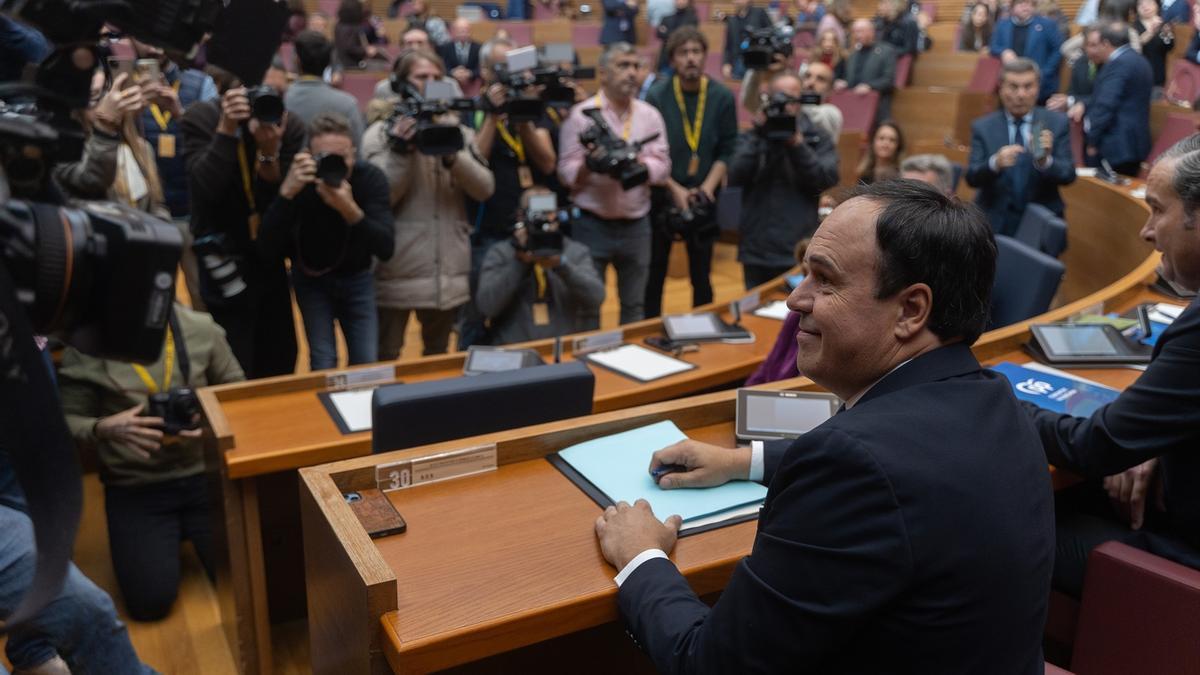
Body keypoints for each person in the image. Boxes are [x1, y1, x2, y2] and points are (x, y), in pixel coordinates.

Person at [593, 180, 1055, 674]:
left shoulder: (852, 463)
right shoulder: (997, 399)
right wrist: (741, 461)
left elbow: (709, 664)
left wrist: (641, 556)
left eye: (824, 280)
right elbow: (903, 474)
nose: (795, 300)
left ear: (910, 310)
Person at [1020, 133, 1200, 595]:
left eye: (1158, 210)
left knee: (1003, 519)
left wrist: (997, 400)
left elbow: (1094, 446)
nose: (1146, 231)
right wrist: (1159, 441)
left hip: (1187, 563)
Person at [57, 303, 244, 620]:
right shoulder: (85, 346)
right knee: (150, 604)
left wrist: (212, 420)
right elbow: (66, 420)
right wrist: (101, 428)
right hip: (137, 485)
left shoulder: (200, 328)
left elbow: (238, 390)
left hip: (204, 477)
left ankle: (182, 532)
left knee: (241, 584)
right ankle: (169, 536)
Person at [362, 49, 495, 358]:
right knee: (387, 355)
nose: (430, 83)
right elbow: (381, 196)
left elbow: (485, 188)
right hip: (398, 269)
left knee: (438, 356)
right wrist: (402, 151)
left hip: (447, 272)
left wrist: (452, 156)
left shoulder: (459, 132)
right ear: (401, 84)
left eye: (437, 77)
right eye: (421, 77)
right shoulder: (380, 134)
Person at [181, 70, 303, 379]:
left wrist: (269, 154)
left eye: (275, 91)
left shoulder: (288, 124)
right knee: (234, 356)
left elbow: (283, 202)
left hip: (269, 254)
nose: (264, 99)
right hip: (223, 252)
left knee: (280, 355)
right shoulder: (203, 118)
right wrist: (226, 129)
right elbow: (205, 190)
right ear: (228, 93)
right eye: (255, 91)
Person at [259, 114, 394, 370]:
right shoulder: (299, 180)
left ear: (354, 154)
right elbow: (267, 246)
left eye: (341, 157)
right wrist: (287, 193)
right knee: (323, 360)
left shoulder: (370, 179)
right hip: (311, 282)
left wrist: (350, 210)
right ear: (309, 155)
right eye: (325, 157)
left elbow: (386, 248)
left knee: (366, 362)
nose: (334, 164)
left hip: (358, 278)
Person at [557, 42, 671, 327]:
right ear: (603, 73)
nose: (631, 73)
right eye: (623, 66)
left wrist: (637, 165)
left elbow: (663, 165)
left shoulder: (649, 115)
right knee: (587, 306)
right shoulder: (580, 116)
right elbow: (566, 172)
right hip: (591, 223)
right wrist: (590, 165)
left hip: (637, 224)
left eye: (635, 66)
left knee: (634, 307)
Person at [462, 37, 559, 347]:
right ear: (486, 72)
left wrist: (522, 118)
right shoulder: (476, 109)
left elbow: (546, 162)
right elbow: (474, 162)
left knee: (525, 303)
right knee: (479, 311)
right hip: (488, 227)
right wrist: (492, 114)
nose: (510, 75)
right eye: (501, 68)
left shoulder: (535, 110)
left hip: (533, 222)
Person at [644, 27, 739, 317]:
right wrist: (675, 188)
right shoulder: (658, 95)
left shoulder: (721, 95)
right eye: (683, 53)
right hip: (664, 194)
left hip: (703, 196)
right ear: (672, 59)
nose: (691, 59)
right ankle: (649, 331)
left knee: (702, 275)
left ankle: (704, 330)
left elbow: (728, 148)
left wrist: (707, 187)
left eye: (696, 52)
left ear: (704, 56)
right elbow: (648, 151)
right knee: (655, 272)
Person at [130, 38, 218, 310]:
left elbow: (214, 143)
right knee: (152, 305)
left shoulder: (199, 83)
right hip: (146, 216)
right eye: (144, 38)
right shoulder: (122, 84)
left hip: (192, 213)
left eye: (159, 39)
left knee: (202, 300)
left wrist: (180, 113)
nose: (154, 47)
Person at [730, 71, 838, 289]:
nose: (786, 106)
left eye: (791, 99)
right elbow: (735, 175)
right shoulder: (755, 135)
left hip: (796, 249)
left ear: (800, 101)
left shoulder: (816, 137)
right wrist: (760, 132)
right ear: (767, 99)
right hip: (756, 247)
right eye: (779, 98)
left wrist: (797, 144)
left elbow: (825, 179)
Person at [476, 187, 607, 344]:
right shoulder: (502, 253)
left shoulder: (575, 251)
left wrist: (562, 265)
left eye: (548, 212)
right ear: (521, 215)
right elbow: (487, 307)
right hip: (514, 349)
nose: (543, 220)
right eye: (536, 213)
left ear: (557, 215)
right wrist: (519, 263)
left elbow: (596, 298)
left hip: (562, 349)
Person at [967, 58, 1075, 235]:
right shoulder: (983, 126)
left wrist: (1045, 161)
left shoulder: (1056, 123)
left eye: (1028, 86)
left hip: (1041, 222)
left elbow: (1068, 175)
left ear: (1038, 88)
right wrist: (995, 163)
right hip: (993, 222)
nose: (1021, 94)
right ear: (1001, 88)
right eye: (1014, 87)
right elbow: (972, 177)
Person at [1081, 21, 1153, 176]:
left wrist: (1092, 140)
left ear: (1106, 43)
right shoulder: (1139, 59)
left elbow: (1105, 104)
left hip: (1117, 145)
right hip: (1134, 143)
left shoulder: (1118, 64)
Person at [285, 31, 366, 149]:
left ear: (297, 60)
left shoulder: (280, 99)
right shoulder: (348, 104)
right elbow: (358, 153)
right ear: (329, 62)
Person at [741, 59, 844, 140]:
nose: (811, 82)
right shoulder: (787, 105)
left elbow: (810, 115)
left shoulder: (831, 113)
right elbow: (749, 102)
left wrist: (786, 75)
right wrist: (757, 70)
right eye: (807, 76)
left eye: (820, 79)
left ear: (830, 89)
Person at [990, 0, 1064, 102]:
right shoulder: (1002, 24)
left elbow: (1057, 50)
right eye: (1021, 3)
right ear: (1012, 7)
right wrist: (1003, 52)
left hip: (1040, 84)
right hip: (1010, 82)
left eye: (1029, 3)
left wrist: (1044, 72)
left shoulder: (1047, 24)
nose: (1025, 6)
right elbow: (993, 47)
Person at [833, 19, 898, 121]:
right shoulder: (852, 54)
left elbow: (888, 80)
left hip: (877, 103)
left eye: (860, 31)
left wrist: (870, 86)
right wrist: (844, 83)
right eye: (854, 32)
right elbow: (849, 79)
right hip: (853, 103)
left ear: (871, 31)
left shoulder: (886, 51)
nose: (857, 35)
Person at [722, 0, 772, 80]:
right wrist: (726, 63)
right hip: (738, 62)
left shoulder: (759, 13)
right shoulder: (732, 20)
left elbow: (770, 32)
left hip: (757, 61)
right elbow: (728, 45)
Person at [1134, 0, 1176, 95]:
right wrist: (1150, 32)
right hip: (1138, 75)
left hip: (1157, 76)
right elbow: (1135, 46)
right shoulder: (1134, 26)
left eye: (1148, 2)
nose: (1145, 6)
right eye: (1140, 4)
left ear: (1157, 5)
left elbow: (1170, 47)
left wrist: (1167, 35)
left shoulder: (1163, 24)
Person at [334, 0, 385, 68]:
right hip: (350, 63)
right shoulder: (348, 27)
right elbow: (349, 47)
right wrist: (366, 50)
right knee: (380, 65)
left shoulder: (342, 24)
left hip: (346, 62)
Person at [437, 18, 482, 90]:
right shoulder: (445, 47)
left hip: (473, 84)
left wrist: (469, 73)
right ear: (453, 31)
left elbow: (481, 69)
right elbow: (442, 67)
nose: (463, 32)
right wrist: (453, 73)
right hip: (450, 84)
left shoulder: (479, 48)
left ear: (470, 31)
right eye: (460, 30)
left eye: (465, 29)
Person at [655, 0, 699, 72]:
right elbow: (658, 34)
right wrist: (678, 32)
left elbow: (686, 36)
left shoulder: (692, 19)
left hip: (684, 58)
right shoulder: (666, 18)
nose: (680, 1)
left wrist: (667, 32)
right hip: (666, 58)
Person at [856, 120, 905, 184]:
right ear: (873, 142)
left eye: (892, 140)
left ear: (898, 146)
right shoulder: (864, 173)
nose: (886, 143)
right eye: (881, 138)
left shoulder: (902, 175)